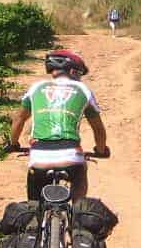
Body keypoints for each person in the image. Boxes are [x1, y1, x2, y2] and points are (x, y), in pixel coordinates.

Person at [9, 48, 108, 200]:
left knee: (34, 202)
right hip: (70, 155)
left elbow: (19, 119)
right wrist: (101, 150)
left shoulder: (36, 88)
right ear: (73, 71)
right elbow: (98, 129)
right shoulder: (83, 90)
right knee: (80, 172)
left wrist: (13, 144)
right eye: (80, 74)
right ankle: (77, 211)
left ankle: (35, 211)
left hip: (39, 156)